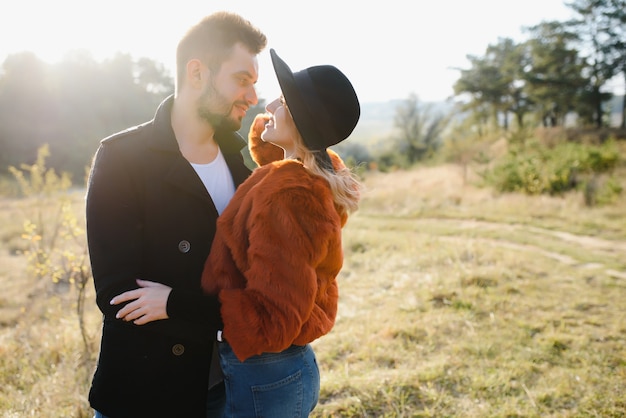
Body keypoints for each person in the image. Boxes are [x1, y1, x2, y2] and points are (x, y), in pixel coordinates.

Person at [114, 48, 362, 417]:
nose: (269, 106)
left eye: (281, 102)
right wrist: (270, 136)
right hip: (282, 371)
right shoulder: (312, 177)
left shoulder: (289, 196)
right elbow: (274, 186)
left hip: (265, 377)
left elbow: (273, 316)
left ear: (298, 120)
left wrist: (173, 304)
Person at [85, 11, 267, 418]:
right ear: (198, 73)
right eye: (242, 80)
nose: (252, 97)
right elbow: (119, 297)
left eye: (254, 84)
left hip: (224, 390)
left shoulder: (245, 171)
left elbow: (259, 296)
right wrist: (222, 313)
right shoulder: (122, 159)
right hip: (143, 393)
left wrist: (173, 303)